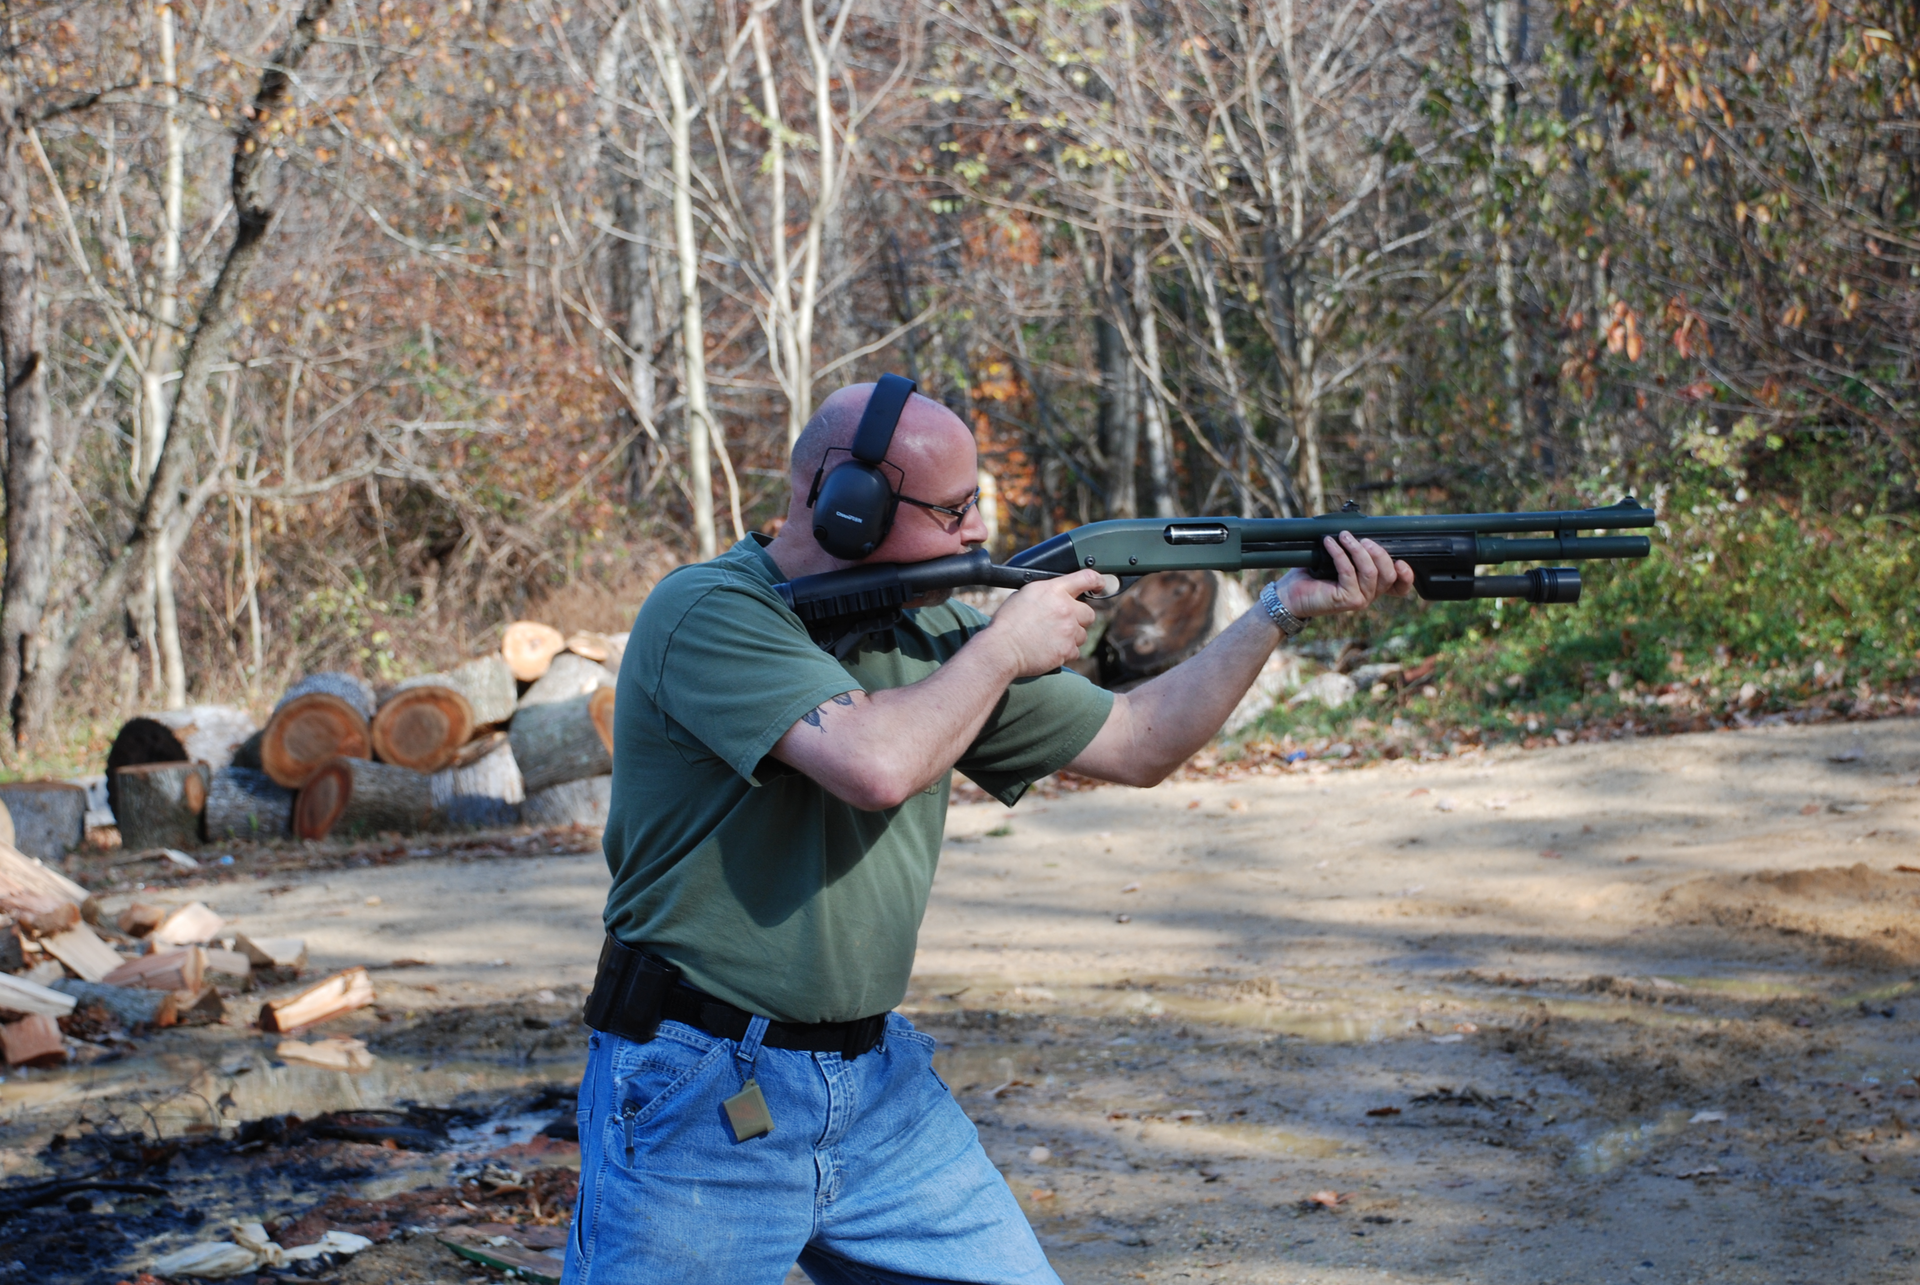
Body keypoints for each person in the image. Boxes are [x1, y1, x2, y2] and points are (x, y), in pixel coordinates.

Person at [563, 381, 1414, 1285]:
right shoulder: (710, 611)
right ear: (849, 509)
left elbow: (1140, 741)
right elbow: (877, 761)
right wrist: (1004, 646)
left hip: (875, 1085)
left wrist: (1277, 609)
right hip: (704, 1089)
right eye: (955, 508)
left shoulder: (932, 630)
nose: (977, 533)